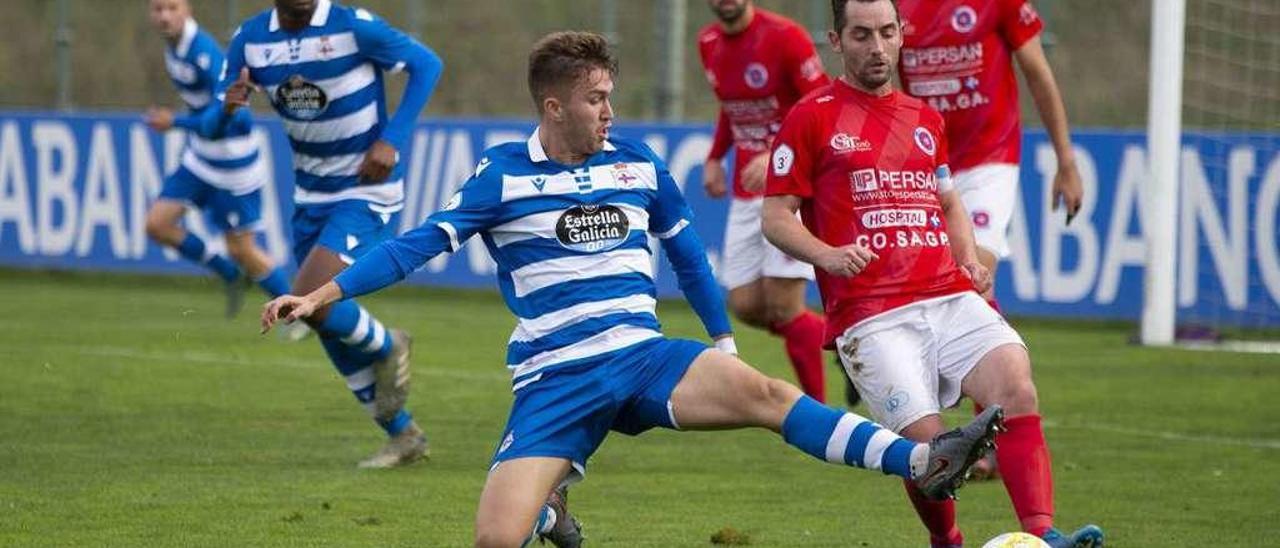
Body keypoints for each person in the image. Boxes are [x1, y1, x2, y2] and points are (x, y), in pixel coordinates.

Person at [262, 30, 1002, 548]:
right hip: (556, 378)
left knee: (770, 396)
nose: (609, 111)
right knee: (495, 537)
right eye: (595, 99)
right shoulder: (500, 176)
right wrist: (323, 295)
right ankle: (550, 519)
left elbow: (687, 259)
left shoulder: (639, 165)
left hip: (646, 359)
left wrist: (721, 344)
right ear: (554, 107)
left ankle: (925, 461)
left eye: (610, 95)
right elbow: (415, 245)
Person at [760, 1, 1102, 547]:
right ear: (836, 39)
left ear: (902, 36)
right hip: (871, 315)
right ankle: (947, 541)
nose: (877, 47)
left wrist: (967, 257)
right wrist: (826, 255)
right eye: (862, 35)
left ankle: (1041, 536)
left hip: (946, 293)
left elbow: (949, 201)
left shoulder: (923, 117)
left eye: (888, 33)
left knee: (1015, 381)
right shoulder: (812, 115)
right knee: (928, 450)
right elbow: (776, 217)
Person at [198, 0, 445, 468]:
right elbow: (214, 123)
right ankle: (402, 434)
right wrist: (230, 108)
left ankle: (388, 344)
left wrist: (392, 139)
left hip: (367, 189)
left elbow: (427, 64)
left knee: (309, 299)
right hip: (309, 197)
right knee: (317, 314)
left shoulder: (352, 25)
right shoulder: (249, 40)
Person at [896, 0, 1084, 481]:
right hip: (926, 166)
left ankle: (992, 432)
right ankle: (915, 384)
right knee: (940, 290)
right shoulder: (895, 8)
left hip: (988, 162)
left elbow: (1037, 72)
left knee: (969, 275)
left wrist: (1065, 159)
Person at [696, 0, 831, 402]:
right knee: (745, 304)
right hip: (744, 189)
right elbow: (731, 109)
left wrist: (778, 152)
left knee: (784, 305)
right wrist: (715, 157)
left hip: (791, 186)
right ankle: (841, 336)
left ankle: (818, 413)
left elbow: (822, 104)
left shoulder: (786, 37)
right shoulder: (708, 42)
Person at [143, 0, 292, 318]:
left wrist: (176, 123)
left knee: (243, 249)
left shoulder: (205, 54)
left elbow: (237, 119)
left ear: (188, 10)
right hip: (201, 158)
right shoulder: (174, 47)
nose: (164, 16)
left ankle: (300, 311)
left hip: (233, 166)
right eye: (158, 9)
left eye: (172, 8)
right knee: (157, 224)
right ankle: (229, 273)